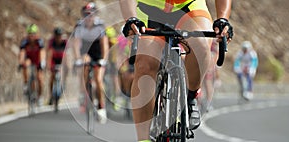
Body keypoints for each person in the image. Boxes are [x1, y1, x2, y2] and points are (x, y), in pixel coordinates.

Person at [119, 0, 233, 141]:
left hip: (188, 6)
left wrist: (223, 19)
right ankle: (143, 139)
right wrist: (131, 18)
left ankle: (191, 97)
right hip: (149, 9)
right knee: (144, 64)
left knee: (201, 47)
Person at [73, 2, 109, 124]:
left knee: (98, 80)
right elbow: (76, 44)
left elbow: (104, 44)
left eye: (91, 15)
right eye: (86, 15)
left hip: (98, 51)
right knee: (83, 63)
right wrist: (77, 58)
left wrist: (103, 59)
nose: (89, 17)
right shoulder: (79, 25)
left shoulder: (100, 25)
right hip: (86, 51)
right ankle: (83, 91)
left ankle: (101, 107)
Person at [19, 24, 46, 106]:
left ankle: (40, 96)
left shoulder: (39, 41)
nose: (32, 36)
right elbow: (22, 52)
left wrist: (42, 62)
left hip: (37, 59)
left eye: (33, 34)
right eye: (30, 34)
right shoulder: (25, 41)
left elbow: (42, 52)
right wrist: (21, 62)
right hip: (29, 59)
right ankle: (26, 84)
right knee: (25, 65)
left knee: (40, 78)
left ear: (36, 34)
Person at [47, 27, 68, 105]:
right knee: (52, 77)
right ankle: (51, 95)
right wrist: (49, 65)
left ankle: (63, 83)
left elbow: (67, 55)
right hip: (54, 59)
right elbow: (49, 54)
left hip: (62, 59)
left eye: (60, 36)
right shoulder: (52, 42)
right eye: (57, 36)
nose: (58, 37)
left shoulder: (65, 42)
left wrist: (66, 66)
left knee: (65, 70)